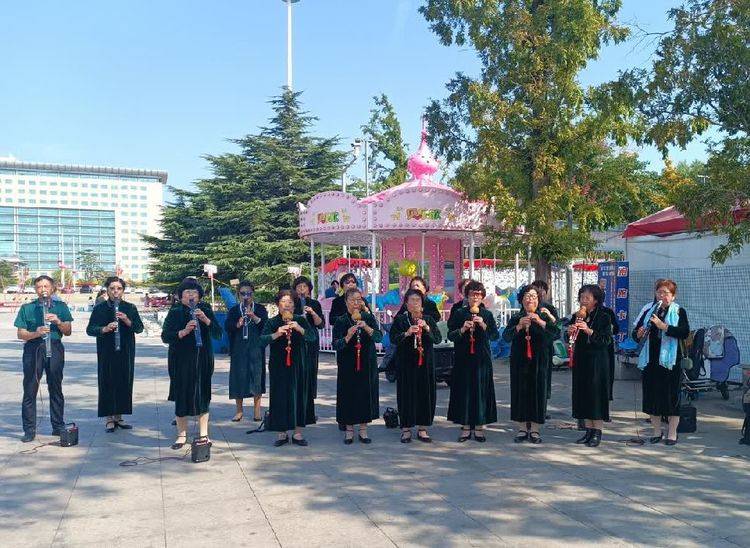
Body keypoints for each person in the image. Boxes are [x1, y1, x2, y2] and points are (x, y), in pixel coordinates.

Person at [161, 279, 222, 449]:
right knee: (182, 395)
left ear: (199, 296)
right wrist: (184, 331)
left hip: (203, 359)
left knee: (203, 395)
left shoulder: (206, 309)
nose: (191, 295)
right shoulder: (175, 311)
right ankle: (181, 435)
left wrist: (206, 320)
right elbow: (165, 336)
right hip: (180, 360)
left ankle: (204, 434)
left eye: (194, 292)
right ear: (181, 296)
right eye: (187, 292)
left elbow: (218, 334)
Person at [15, 275, 73, 443]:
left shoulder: (61, 307)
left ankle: (58, 425)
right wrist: (36, 333)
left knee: (56, 387)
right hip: (34, 348)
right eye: (39, 287)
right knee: (30, 388)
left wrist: (58, 321)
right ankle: (29, 429)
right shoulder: (27, 308)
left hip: (54, 347)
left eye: (46, 286)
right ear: (35, 289)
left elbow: (68, 331)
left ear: (52, 288)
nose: (43, 290)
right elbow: (21, 334)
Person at [634, 279, 690, 445]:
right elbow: (636, 333)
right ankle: (657, 431)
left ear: (673, 296)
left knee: (671, 397)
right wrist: (638, 333)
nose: (662, 296)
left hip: (671, 362)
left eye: (666, 293)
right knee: (652, 397)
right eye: (659, 292)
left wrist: (664, 326)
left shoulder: (679, 311)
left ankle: (672, 433)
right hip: (651, 360)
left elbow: (684, 332)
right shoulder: (650, 311)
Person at [86, 276, 144, 432]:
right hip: (107, 350)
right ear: (107, 290)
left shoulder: (130, 307)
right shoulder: (100, 308)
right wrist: (104, 329)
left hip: (125, 350)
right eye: (112, 288)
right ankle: (109, 418)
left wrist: (126, 320)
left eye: (119, 288)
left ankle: (119, 416)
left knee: (124, 381)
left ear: (123, 290)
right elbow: (90, 329)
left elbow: (139, 328)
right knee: (107, 381)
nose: (115, 291)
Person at [503, 286, 560, 443]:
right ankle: (522, 428)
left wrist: (541, 322)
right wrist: (519, 326)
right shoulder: (516, 317)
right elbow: (506, 337)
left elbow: (556, 333)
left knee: (538, 393)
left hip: (539, 361)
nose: (531, 299)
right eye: (527, 296)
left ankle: (535, 430)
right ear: (522, 299)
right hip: (519, 361)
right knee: (520, 392)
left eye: (534, 296)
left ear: (538, 300)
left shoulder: (544, 316)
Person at [261, 290, 316, 447]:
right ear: (278, 305)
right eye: (283, 302)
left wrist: (300, 328)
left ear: (294, 305)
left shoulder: (300, 320)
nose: (287, 305)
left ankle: (298, 433)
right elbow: (261, 340)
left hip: (299, 364)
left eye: (290, 302)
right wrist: (276, 334)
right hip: (279, 366)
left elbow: (312, 337)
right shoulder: (272, 322)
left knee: (299, 395)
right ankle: (282, 432)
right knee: (280, 396)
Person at [447, 280, 500, 442]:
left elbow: (495, 336)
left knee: (480, 391)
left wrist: (483, 325)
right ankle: (465, 427)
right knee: (464, 391)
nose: (475, 298)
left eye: (478, 295)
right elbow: (450, 335)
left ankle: (479, 426)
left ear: (482, 297)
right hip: (463, 358)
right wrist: (463, 329)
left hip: (481, 358)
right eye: (472, 295)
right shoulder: (459, 313)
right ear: (467, 296)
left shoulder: (487, 315)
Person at [390, 289, 441, 443]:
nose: (414, 303)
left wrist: (427, 328)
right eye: (411, 300)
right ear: (406, 303)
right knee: (406, 394)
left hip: (425, 363)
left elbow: (437, 339)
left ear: (422, 304)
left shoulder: (428, 319)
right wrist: (406, 333)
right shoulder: (401, 320)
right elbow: (393, 339)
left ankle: (422, 428)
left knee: (425, 393)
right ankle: (406, 428)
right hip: (406, 363)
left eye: (417, 300)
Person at [333, 287, 382, 444]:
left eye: (358, 299)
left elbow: (379, 337)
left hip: (367, 362)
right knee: (348, 394)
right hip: (347, 363)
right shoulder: (341, 320)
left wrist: (366, 327)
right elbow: (336, 344)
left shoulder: (368, 317)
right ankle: (349, 430)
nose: (356, 303)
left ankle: (363, 429)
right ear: (346, 301)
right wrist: (348, 336)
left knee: (364, 393)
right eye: (352, 300)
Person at [568, 284, 612, 447]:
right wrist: (570, 332)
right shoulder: (577, 316)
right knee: (583, 394)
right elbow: (570, 340)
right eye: (581, 297)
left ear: (596, 300)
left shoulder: (604, 317)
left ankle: (597, 431)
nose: (583, 301)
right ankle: (588, 430)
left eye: (587, 298)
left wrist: (589, 330)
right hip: (581, 360)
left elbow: (606, 340)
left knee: (596, 396)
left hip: (597, 362)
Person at [224, 281, 268, 422]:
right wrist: (237, 324)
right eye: (243, 293)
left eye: (248, 293)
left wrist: (254, 317)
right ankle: (239, 411)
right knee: (238, 377)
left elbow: (266, 326)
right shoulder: (234, 310)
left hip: (256, 347)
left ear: (252, 293)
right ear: (238, 295)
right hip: (239, 348)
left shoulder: (260, 308)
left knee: (257, 377)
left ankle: (257, 411)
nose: (246, 296)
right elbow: (227, 326)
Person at [293, 276, 325, 423]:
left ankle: (309, 411)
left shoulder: (314, 304)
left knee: (311, 373)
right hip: (296, 341)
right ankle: (296, 410)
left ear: (309, 289)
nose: (302, 289)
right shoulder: (292, 303)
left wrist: (312, 313)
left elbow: (321, 324)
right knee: (297, 374)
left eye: (304, 287)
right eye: (299, 287)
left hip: (311, 342)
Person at [529, 280, 559, 408]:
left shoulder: (549, 308)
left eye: (543, 290)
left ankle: (543, 407)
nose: (540, 293)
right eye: (537, 290)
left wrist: (550, 317)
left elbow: (557, 327)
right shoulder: (527, 306)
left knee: (544, 377)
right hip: (529, 348)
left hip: (545, 348)